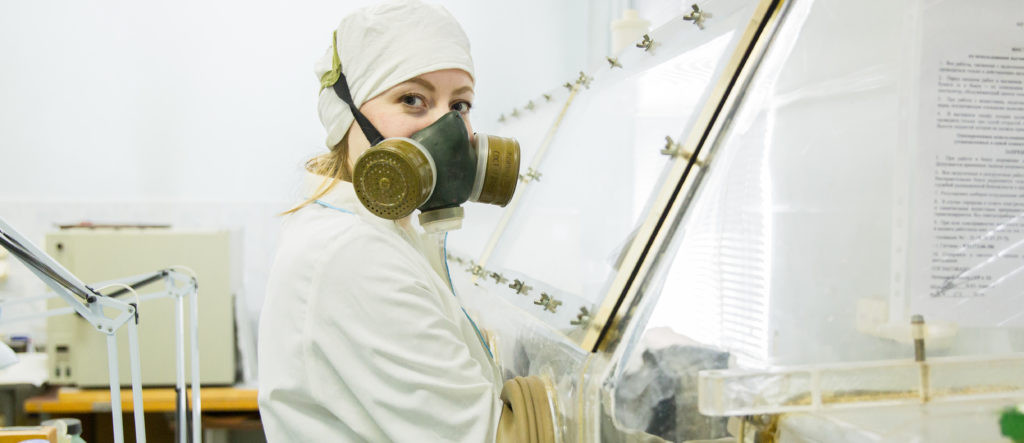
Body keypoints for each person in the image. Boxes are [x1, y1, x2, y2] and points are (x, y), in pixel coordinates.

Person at [257, 1, 552, 441]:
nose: (449, 129)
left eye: (460, 105)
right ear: (347, 115)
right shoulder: (353, 253)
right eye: (413, 100)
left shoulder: (379, 232)